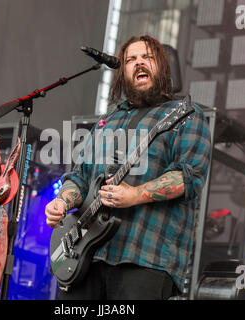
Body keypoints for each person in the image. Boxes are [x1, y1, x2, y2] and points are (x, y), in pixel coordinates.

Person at [45, 35, 212, 300]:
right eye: (131, 60)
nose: (139, 63)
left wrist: (136, 194)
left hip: (145, 258)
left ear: (162, 68)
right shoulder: (107, 121)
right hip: (83, 259)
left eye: (147, 57)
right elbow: (79, 177)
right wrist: (62, 202)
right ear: (122, 72)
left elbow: (190, 176)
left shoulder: (185, 116)